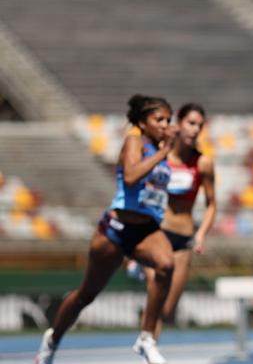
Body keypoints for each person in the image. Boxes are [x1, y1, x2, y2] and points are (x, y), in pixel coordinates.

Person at [36, 94, 179, 364]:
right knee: (85, 295)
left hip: (145, 229)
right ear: (142, 122)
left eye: (168, 120)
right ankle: (52, 339)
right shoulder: (135, 142)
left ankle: (146, 338)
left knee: (166, 264)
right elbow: (132, 176)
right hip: (116, 227)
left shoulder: (163, 150)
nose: (164, 124)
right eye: (158, 119)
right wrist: (163, 152)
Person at [139, 102, 217, 341]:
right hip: (156, 234)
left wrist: (201, 234)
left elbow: (212, 204)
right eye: (191, 123)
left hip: (183, 240)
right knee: (156, 296)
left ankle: (148, 342)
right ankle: (148, 351)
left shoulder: (202, 163)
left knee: (166, 310)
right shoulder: (159, 155)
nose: (195, 130)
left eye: (199, 126)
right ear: (179, 124)